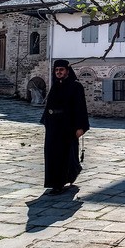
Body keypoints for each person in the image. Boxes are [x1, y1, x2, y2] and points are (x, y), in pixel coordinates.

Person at [40, 59, 90, 195]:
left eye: (61, 70)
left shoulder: (76, 86)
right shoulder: (56, 86)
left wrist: (81, 127)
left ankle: (59, 184)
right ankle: (56, 181)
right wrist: (46, 122)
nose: (58, 72)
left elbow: (80, 108)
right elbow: (49, 106)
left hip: (68, 127)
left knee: (65, 155)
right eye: (56, 70)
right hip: (53, 127)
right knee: (52, 154)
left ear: (67, 71)